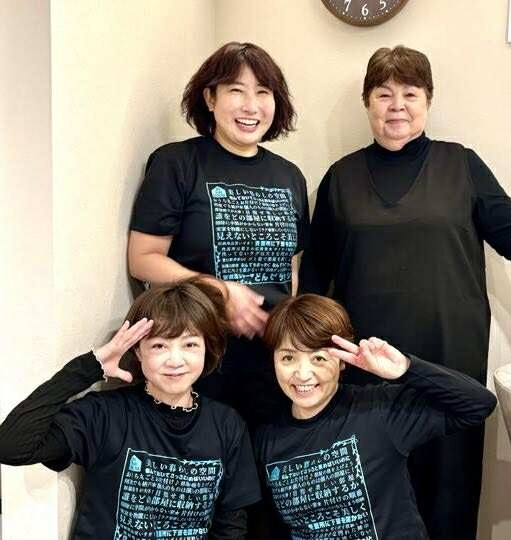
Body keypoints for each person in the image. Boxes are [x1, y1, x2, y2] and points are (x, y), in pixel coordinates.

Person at [299, 45, 511, 539]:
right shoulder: (341, 178)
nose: (397, 105)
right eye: (383, 94)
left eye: (410, 93)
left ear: (428, 101)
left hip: (449, 358)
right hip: (364, 362)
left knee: (450, 483)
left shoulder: (462, 165)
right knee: (373, 481)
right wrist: (308, 346)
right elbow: (316, 273)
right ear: (367, 103)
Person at [128, 41, 309, 428]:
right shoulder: (177, 163)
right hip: (198, 358)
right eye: (236, 91)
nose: (251, 106)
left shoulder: (289, 176)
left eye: (263, 92)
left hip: (272, 360)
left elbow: (291, 268)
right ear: (210, 98)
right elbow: (142, 259)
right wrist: (220, 291)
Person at [0, 279, 261, 539]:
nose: (175, 360)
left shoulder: (227, 424)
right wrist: (89, 367)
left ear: (207, 347)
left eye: (190, 344)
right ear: (137, 350)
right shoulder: (105, 414)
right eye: (159, 345)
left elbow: (231, 526)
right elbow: (11, 446)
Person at [255, 294, 497, 539]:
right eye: (288, 358)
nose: (302, 374)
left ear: (341, 361)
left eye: (318, 358)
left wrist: (405, 369)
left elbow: (478, 404)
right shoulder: (267, 440)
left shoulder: (377, 409)